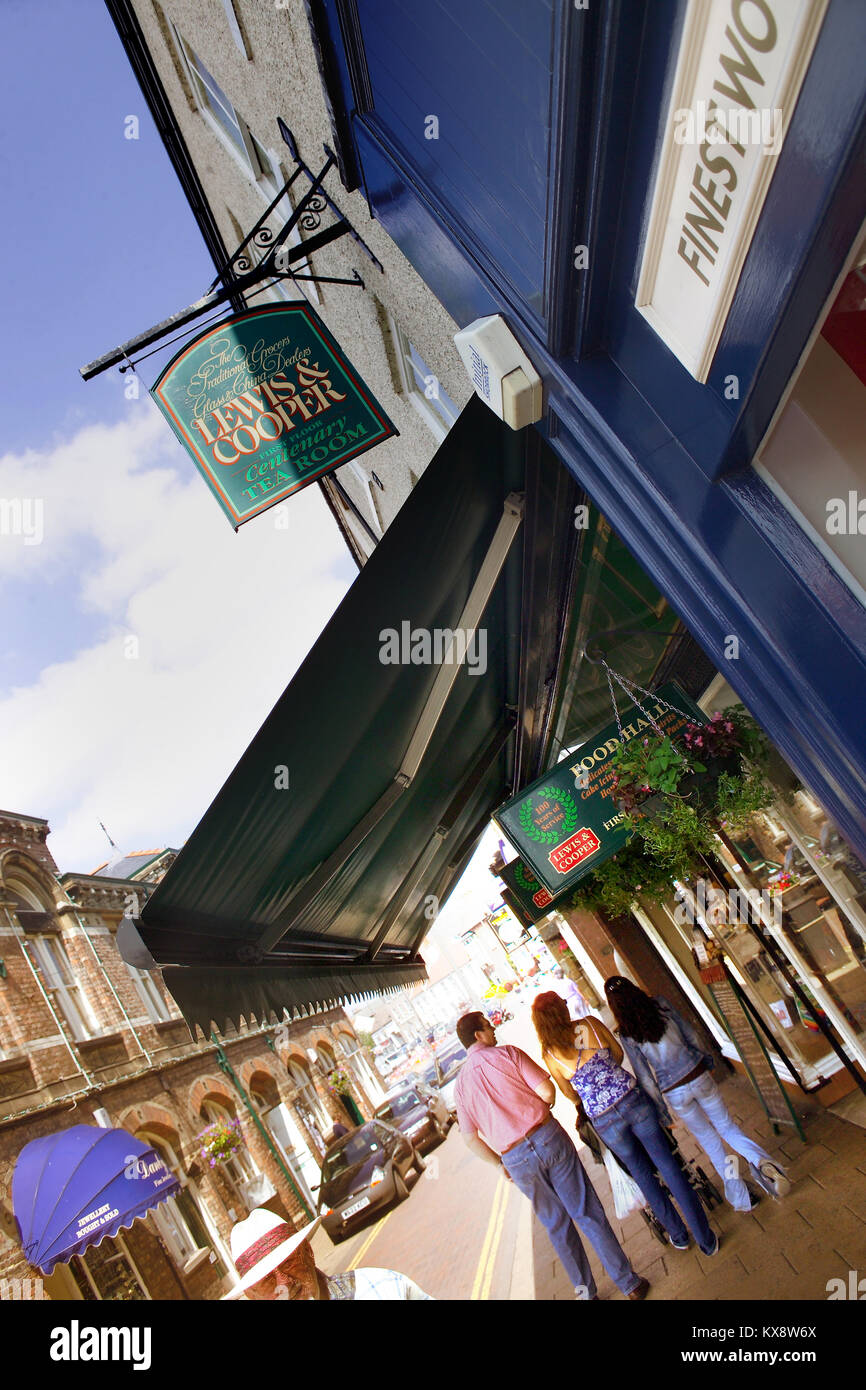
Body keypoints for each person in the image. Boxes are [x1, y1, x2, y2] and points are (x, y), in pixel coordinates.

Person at [454, 1010, 649, 1301]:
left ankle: (587, 1295)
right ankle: (629, 1285)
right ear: (478, 1035)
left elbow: (470, 1138)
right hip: (547, 1137)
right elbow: (546, 1091)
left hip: (516, 1159)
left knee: (557, 1226)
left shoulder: (460, 1087)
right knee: (586, 1211)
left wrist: (499, 1163)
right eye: (487, 1026)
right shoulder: (508, 1054)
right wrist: (538, 1106)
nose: (493, 1028)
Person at [531, 991, 719, 1256]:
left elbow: (570, 1094)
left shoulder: (551, 1054)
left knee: (642, 1174)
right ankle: (706, 1239)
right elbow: (617, 1054)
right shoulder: (589, 1026)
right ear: (560, 1011)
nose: (566, 1003)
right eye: (562, 1003)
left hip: (605, 1121)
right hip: (632, 1100)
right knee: (666, 1163)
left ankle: (678, 1235)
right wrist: (607, 1073)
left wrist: (590, 1090)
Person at [604, 976, 790, 1210]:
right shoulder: (660, 1004)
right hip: (697, 1074)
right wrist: (708, 1061)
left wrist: (662, 1112)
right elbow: (691, 1036)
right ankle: (761, 1162)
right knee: (728, 1127)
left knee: (711, 1142)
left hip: (675, 1092)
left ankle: (743, 1198)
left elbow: (646, 1079)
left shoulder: (627, 1034)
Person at [224, 1208, 433, 1300]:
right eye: (267, 1279)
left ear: (308, 1252)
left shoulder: (386, 1288)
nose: (285, 1283)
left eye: (288, 1263)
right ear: (252, 1294)